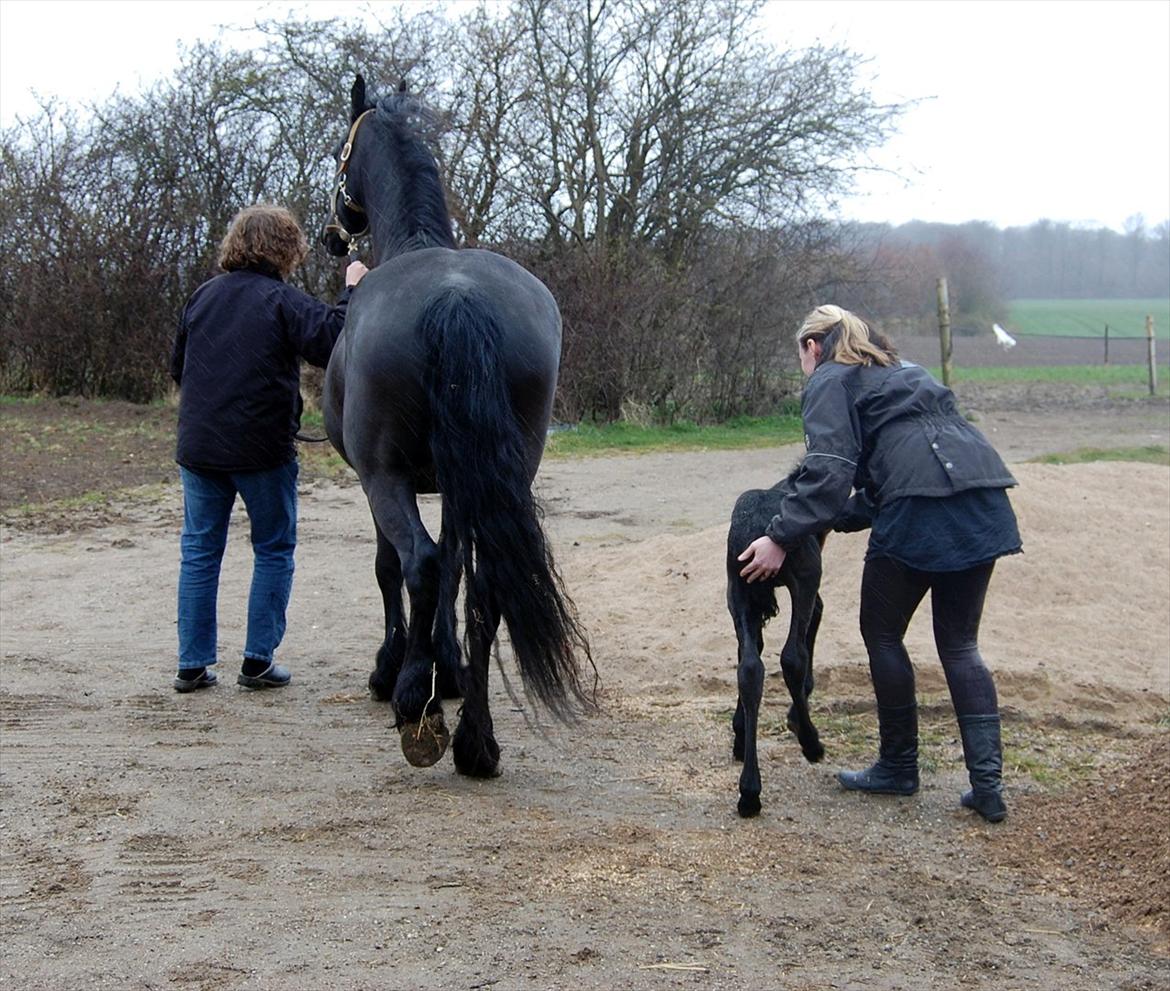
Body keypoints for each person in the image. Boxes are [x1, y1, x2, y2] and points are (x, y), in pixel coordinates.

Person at [737, 304, 1021, 823]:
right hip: (983, 496)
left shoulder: (828, 378)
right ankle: (988, 787)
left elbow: (830, 468)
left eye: (803, 353)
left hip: (918, 508)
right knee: (960, 644)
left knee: (883, 634)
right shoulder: (903, 372)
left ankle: (897, 766)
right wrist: (825, 521)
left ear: (812, 346)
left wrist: (779, 537)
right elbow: (886, 473)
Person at [169, 204, 368, 694]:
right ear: (286, 249)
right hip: (263, 452)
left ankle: (192, 665)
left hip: (199, 449)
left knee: (199, 552)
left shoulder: (202, 297)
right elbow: (332, 339)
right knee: (274, 549)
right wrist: (354, 290)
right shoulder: (282, 301)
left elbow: (178, 368)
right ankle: (257, 661)